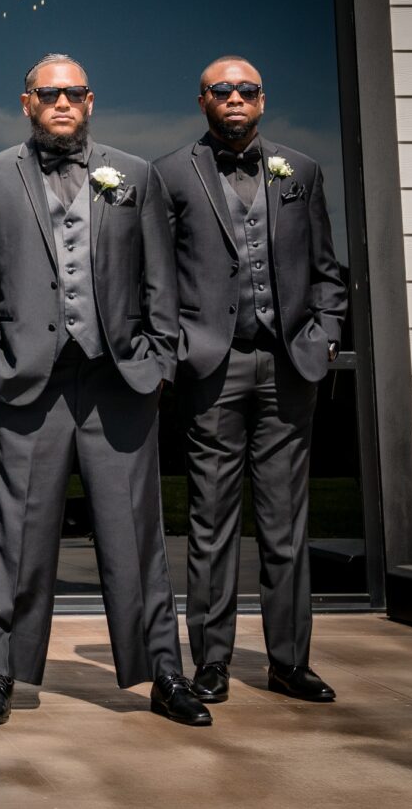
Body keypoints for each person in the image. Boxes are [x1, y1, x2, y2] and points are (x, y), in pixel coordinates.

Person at [0, 54, 211, 727]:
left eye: (72, 93)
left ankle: (163, 673)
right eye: (48, 93)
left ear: (90, 101)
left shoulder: (135, 176)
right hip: (26, 382)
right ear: (27, 102)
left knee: (136, 535)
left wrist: (157, 364)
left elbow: (162, 282)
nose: (61, 102)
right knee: (14, 536)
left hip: (118, 380)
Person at [155, 56, 346, 705]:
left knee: (285, 525)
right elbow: (152, 274)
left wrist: (326, 333)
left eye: (247, 89)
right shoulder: (171, 174)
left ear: (262, 100)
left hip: (290, 367)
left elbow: (326, 269)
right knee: (210, 524)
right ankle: (211, 662)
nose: (235, 97)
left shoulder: (303, 172)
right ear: (202, 99)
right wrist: (174, 347)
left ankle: (290, 662)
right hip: (212, 367)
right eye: (222, 90)